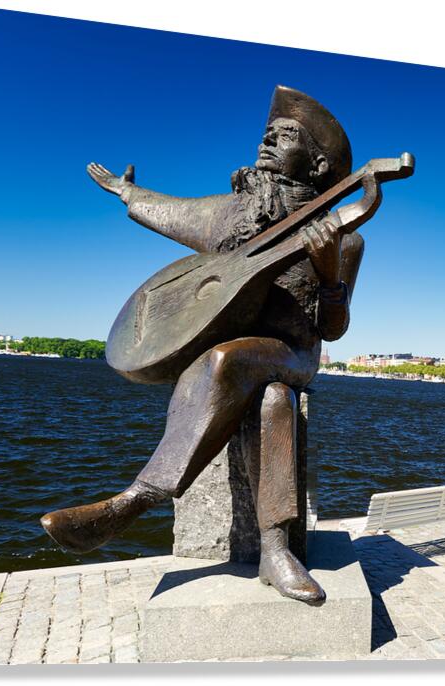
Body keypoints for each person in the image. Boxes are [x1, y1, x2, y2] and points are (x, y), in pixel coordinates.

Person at [40, 86, 364, 605]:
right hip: (249, 365)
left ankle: (134, 500)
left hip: (295, 354)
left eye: (286, 136)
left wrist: (329, 278)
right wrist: (129, 193)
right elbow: (173, 211)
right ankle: (276, 550)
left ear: (319, 164)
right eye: (267, 133)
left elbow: (333, 329)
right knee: (271, 399)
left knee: (227, 360)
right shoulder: (233, 215)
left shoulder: (345, 237)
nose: (268, 142)